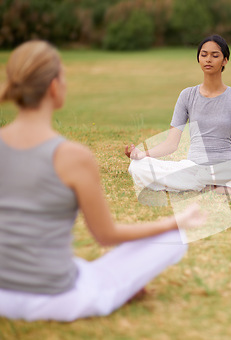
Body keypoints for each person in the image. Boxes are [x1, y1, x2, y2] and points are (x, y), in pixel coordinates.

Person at [0, 40, 206, 322]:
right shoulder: (72, 157)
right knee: (174, 239)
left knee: (77, 265)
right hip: (57, 299)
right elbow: (106, 235)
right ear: (53, 87)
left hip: (3, 296)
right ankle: (122, 286)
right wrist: (173, 223)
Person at [126, 35, 231, 196]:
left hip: (226, 165)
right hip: (193, 166)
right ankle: (215, 185)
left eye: (215, 55)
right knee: (137, 166)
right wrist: (141, 155)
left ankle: (197, 185)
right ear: (198, 58)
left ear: (225, 60)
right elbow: (171, 143)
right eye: (203, 55)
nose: (208, 59)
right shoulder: (187, 95)